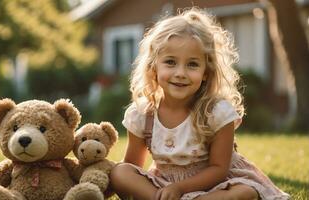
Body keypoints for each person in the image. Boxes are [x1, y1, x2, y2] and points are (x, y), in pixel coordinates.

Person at [110, 7, 290, 200]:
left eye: (192, 64)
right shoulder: (142, 114)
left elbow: (219, 169)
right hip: (164, 185)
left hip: (215, 184)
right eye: (170, 62)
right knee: (120, 172)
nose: (180, 73)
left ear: (206, 72)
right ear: (153, 67)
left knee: (244, 192)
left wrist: (180, 188)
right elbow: (133, 165)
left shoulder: (217, 112)